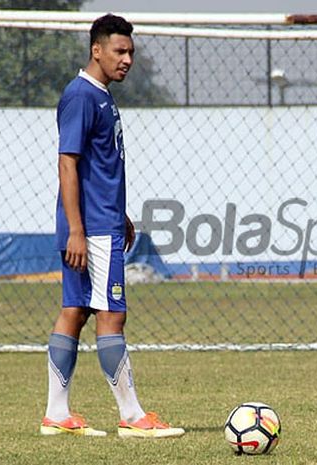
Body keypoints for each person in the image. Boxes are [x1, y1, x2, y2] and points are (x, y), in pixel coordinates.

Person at [41, 14, 184, 439]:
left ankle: (56, 414)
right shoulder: (82, 95)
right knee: (112, 316)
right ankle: (133, 417)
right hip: (91, 230)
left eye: (131, 53)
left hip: (102, 222)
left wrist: (118, 213)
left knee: (75, 310)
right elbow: (68, 163)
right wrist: (79, 231)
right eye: (120, 52)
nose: (127, 60)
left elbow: (97, 166)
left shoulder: (100, 94)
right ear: (96, 50)